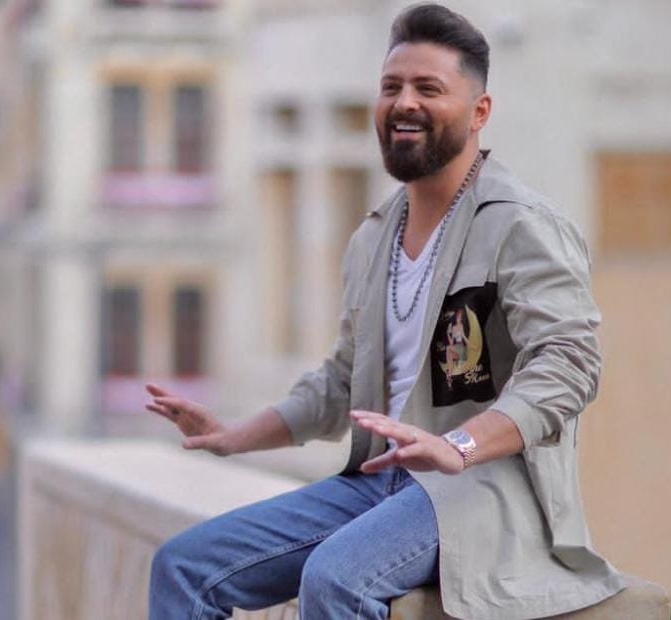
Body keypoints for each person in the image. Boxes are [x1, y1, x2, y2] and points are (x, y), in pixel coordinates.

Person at [146, 3, 623, 618]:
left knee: (335, 580)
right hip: (377, 481)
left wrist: (460, 445)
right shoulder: (374, 236)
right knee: (184, 565)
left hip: (482, 489)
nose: (404, 103)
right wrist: (235, 435)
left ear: (479, 111)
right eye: (391, 87)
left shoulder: (521, 225)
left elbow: (569, 365)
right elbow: (342, 382)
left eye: (429, 88)